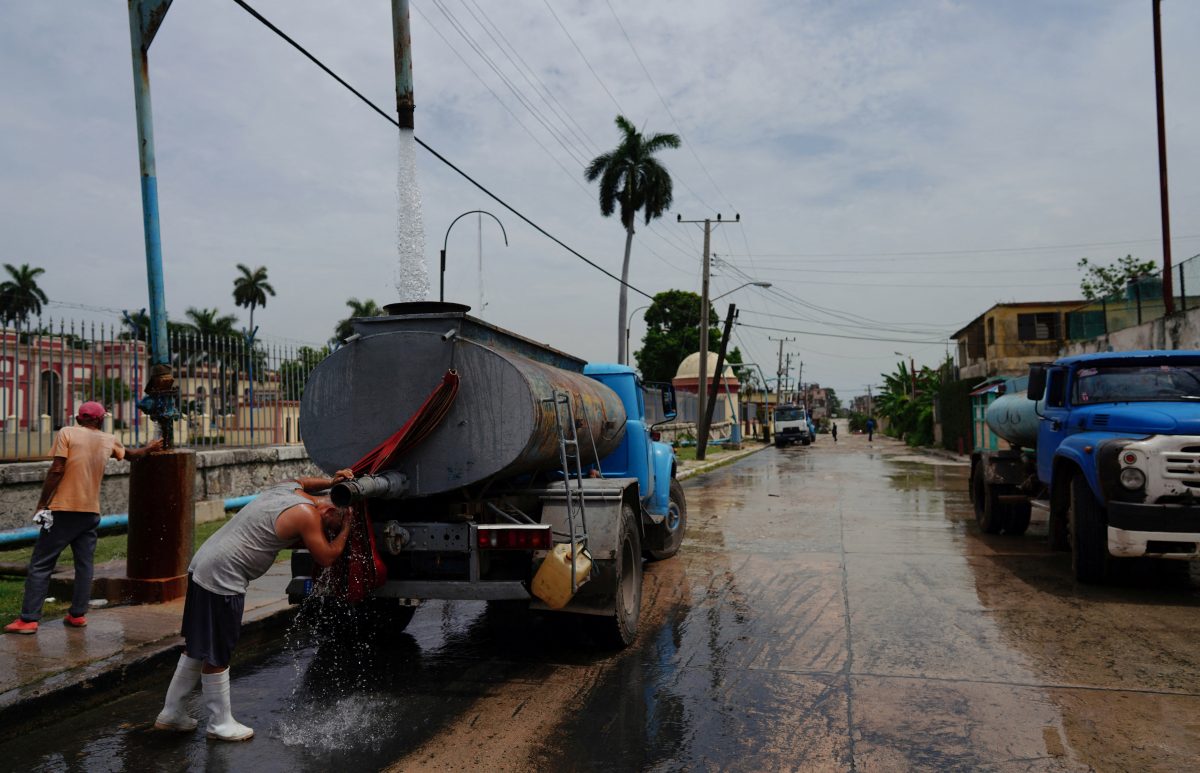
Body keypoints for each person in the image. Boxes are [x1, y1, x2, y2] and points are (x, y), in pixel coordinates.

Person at [155, 468, 356, 741]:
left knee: (198, 645)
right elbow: (327, 557)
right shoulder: (308, 515)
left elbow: (303, 479)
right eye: (330, 527)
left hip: (205, 564)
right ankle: (219, 723)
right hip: (223, 579)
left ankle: (171, 712)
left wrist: (333, 481)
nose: (325, 533)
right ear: (330, 513)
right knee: (218, 652)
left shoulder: (288, 490)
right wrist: (346, 528)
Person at [4, 401, 162, 635]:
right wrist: (149, 448)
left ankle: (28, 620)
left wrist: (41, 504)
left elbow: (57, 469)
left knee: (40, 564)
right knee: (84, 565)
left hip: (64, 510)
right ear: (99, 420)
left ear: (78, 419)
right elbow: (132, 456)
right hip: (90, 512)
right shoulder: (109, 439)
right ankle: (77, 615)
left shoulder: (67, 432)